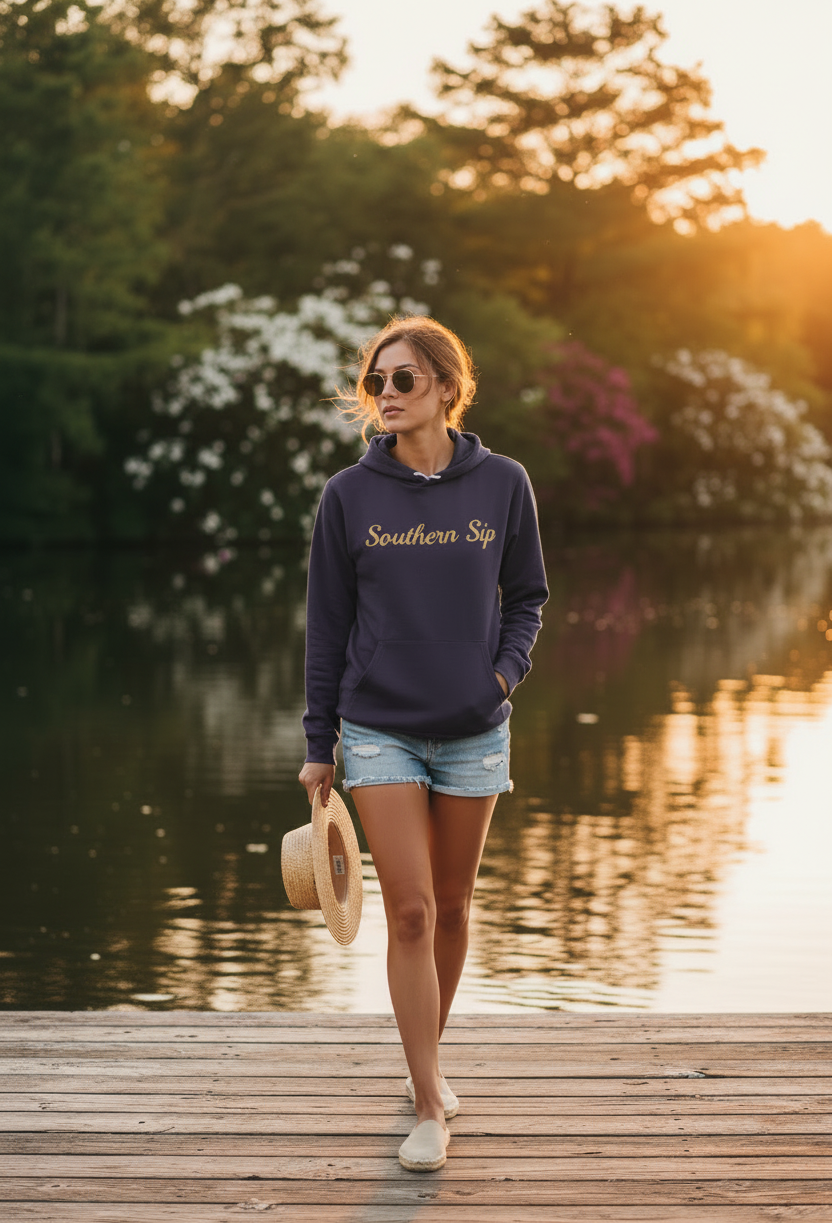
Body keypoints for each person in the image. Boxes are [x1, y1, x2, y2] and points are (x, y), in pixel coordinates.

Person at [298, 315, 548, 1172]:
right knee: (408, 911)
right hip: (378, 729)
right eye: (378, 382)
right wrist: (317, 739)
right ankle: (432, 1103)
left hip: (476, 732)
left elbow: (528, 597)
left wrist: (502, 678)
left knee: (452, 908)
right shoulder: (348, 497)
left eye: (404, 379)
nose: (387, 396)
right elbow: (327, 628)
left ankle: (423, 1068)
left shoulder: (504, 484)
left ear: (447, 385)